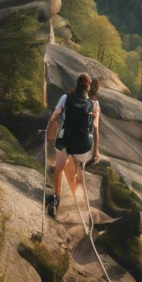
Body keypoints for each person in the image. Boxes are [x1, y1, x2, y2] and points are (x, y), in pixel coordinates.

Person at [46, 73, 100, 217]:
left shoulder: (65, 98)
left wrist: (50, 129)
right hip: (83, 144)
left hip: (65, 139)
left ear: (77, 84)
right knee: (77, 171)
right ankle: (78, 201)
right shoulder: (94, 104)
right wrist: (96, 152)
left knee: (59, 169)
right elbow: (95, 128)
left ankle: (57, 199)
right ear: (88, 87)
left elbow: (54, 116)